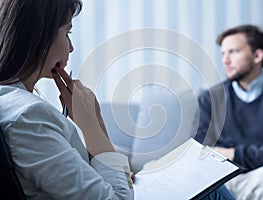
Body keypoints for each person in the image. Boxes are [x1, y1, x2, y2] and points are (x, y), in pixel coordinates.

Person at [0, 0, 235, 199]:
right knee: (214, 192)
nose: (70, 48)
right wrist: (92, 125)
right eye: (67, 32)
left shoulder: (14, 101)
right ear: (38, 36)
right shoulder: (28, 115)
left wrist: (111, 165)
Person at [195, 24, 263, 200]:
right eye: (223, 53)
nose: (225, 60)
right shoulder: (210, 99)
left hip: (262, 178)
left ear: (257, 55)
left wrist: (232, 154)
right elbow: (200, 152)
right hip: (221, 179)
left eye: (233, 52)